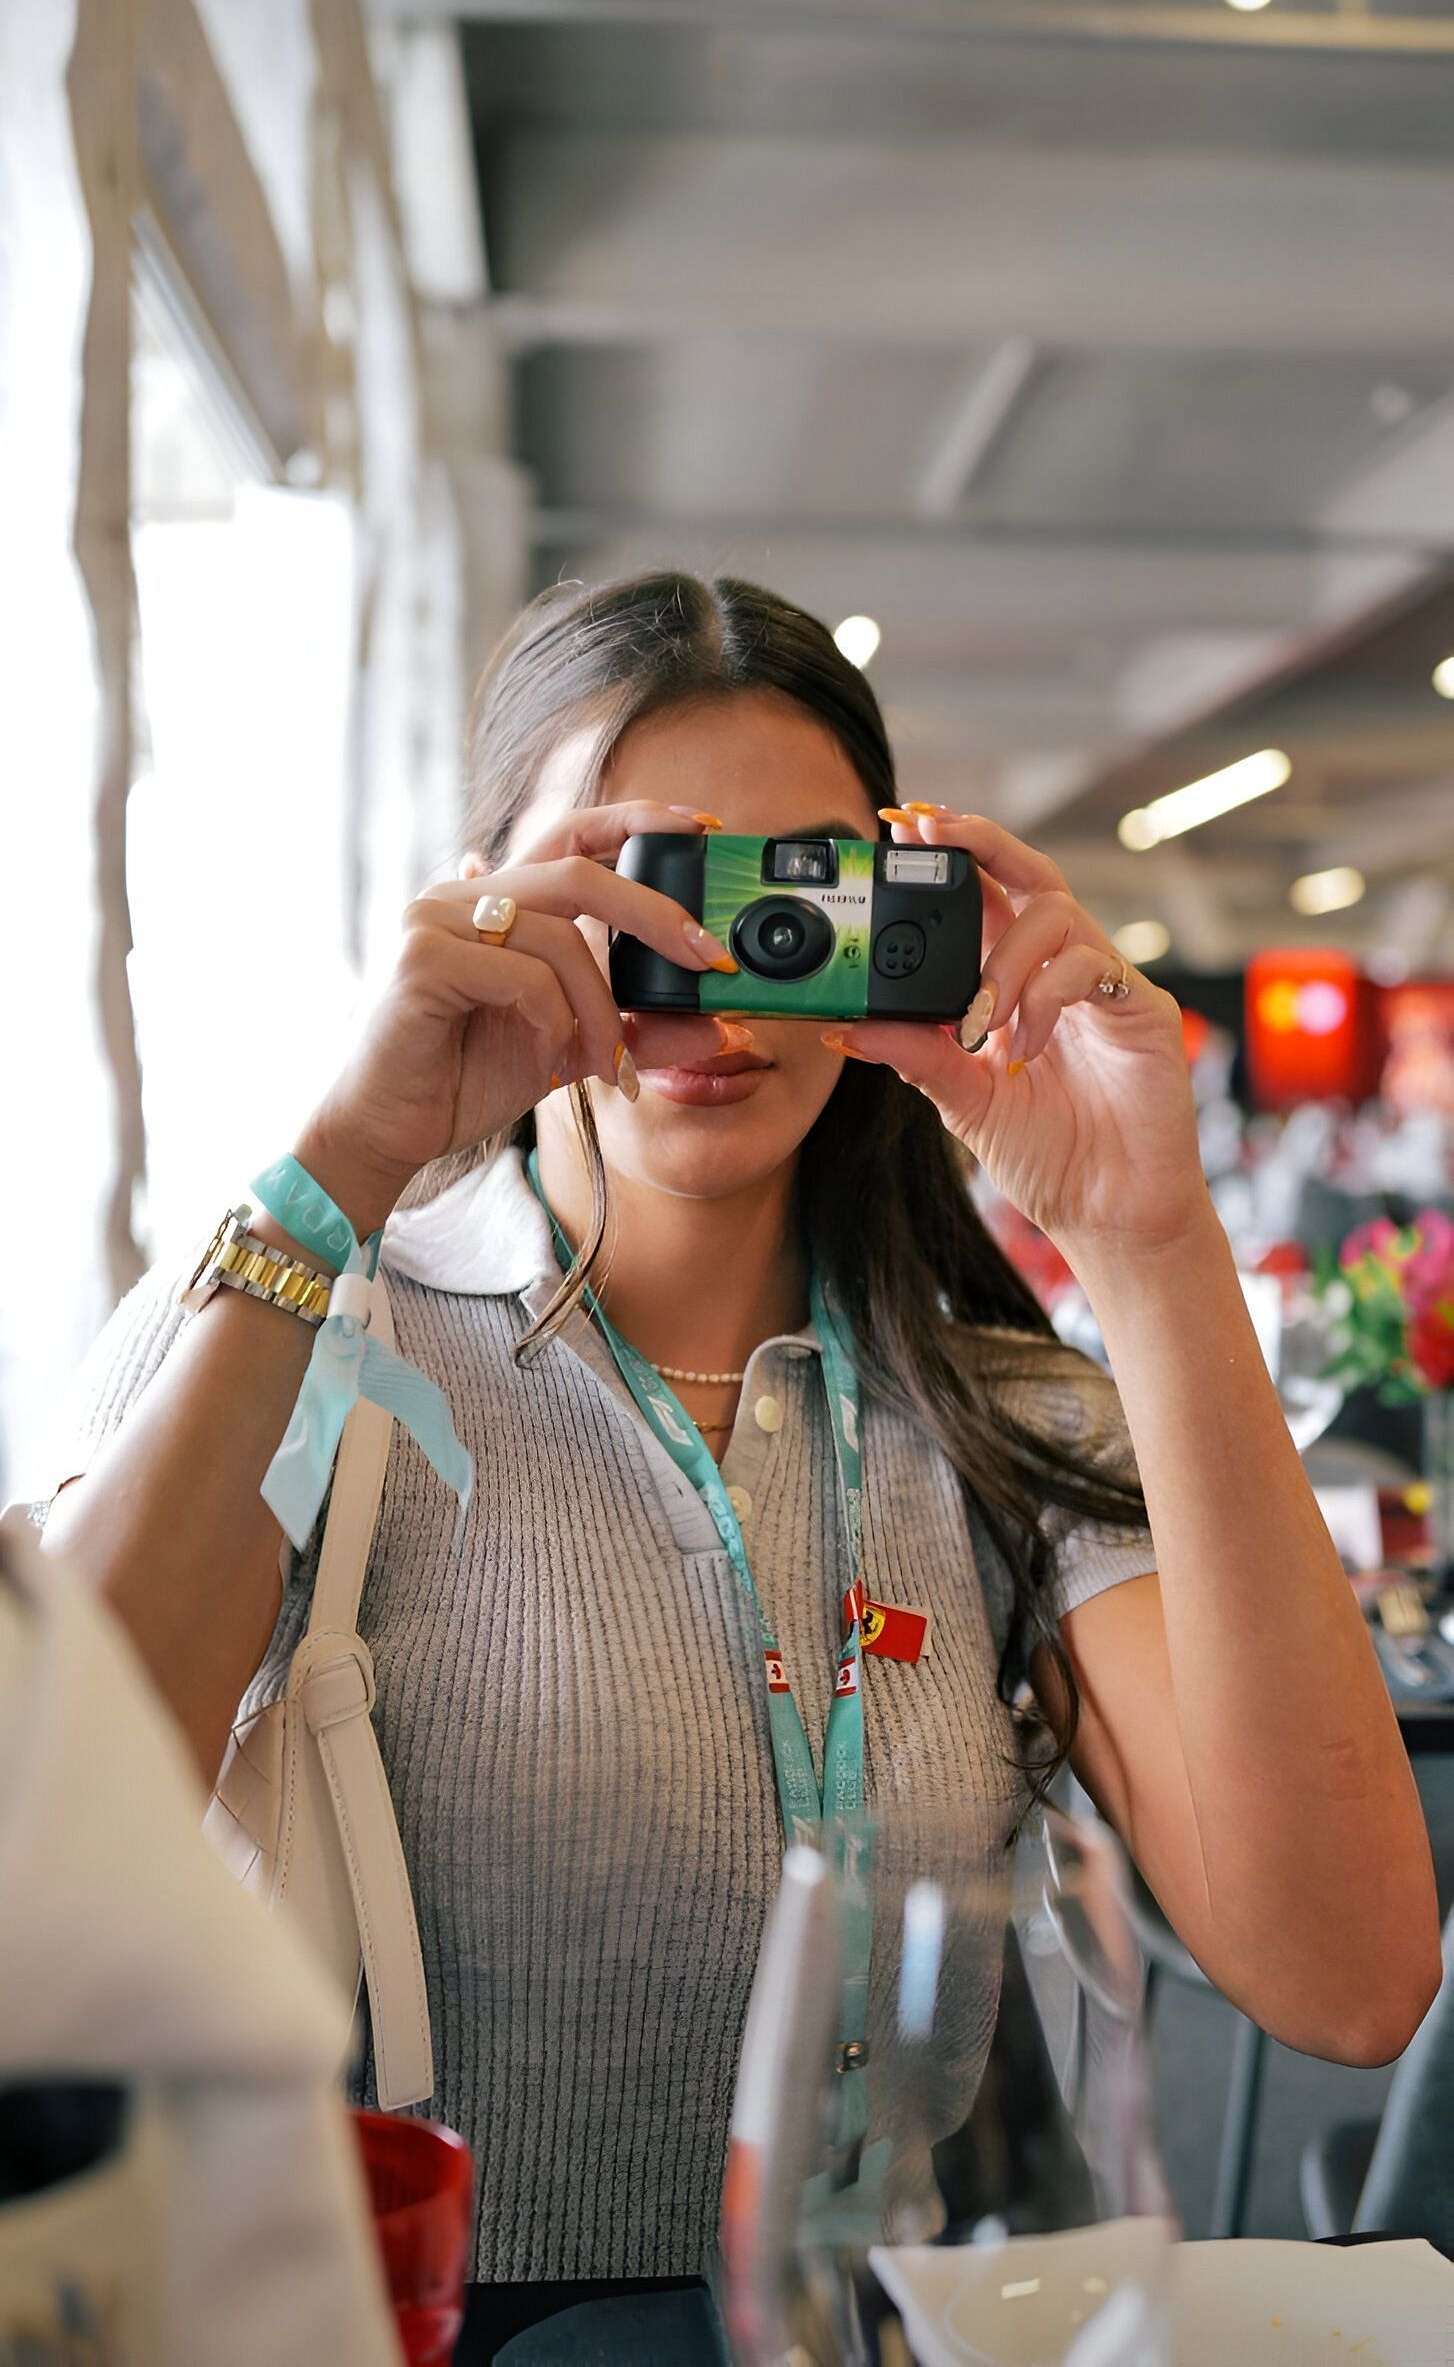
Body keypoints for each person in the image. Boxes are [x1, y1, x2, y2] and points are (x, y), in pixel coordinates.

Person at [42, 572, 1440, 2358]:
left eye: (794, 897)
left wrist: (1146, 1242)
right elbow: (40, 1846)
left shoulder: (997, 1416)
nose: (719, 972)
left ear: (894, 917)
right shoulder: (311, 1326)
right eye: (642, 890)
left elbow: (1345, 1980)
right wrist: (341, 1165)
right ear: (494, 903)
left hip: (893, 2329)